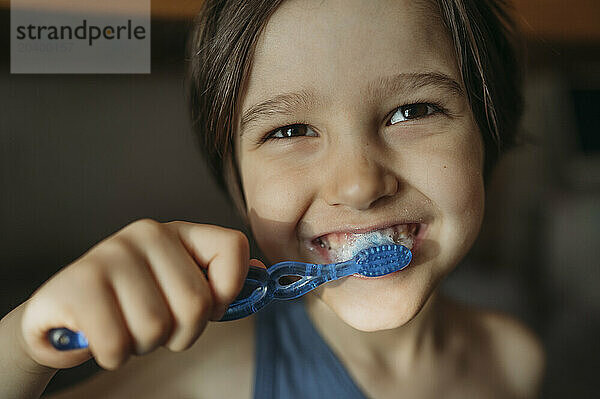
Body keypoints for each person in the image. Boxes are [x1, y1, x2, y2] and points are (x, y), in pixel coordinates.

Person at [0, 0, 546, 397]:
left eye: (413, 111)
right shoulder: (201, 375)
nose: (358, 185)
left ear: (486, 138)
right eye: (288, 131)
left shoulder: (516, 360)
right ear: (235, 182)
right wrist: (24, 346)